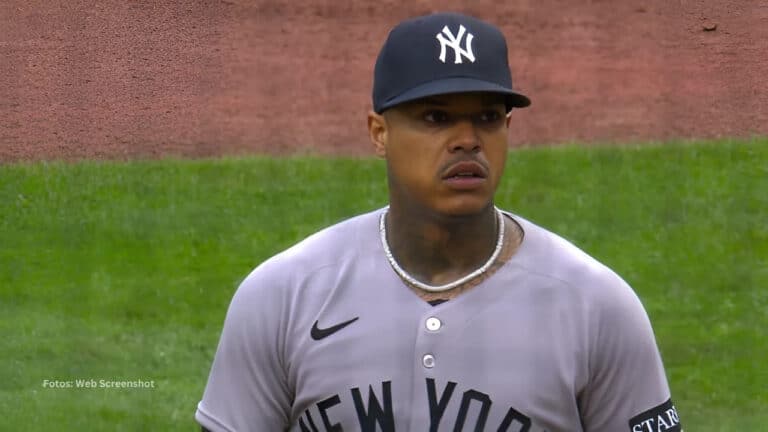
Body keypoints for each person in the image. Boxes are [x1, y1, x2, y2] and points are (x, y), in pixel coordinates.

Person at [195, 12, 681, 432]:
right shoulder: (283, 295)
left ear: (508, 128)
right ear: (379, 133)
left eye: (487, 118)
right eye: (435, 117)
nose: (467, 139)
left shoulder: (597, 306)